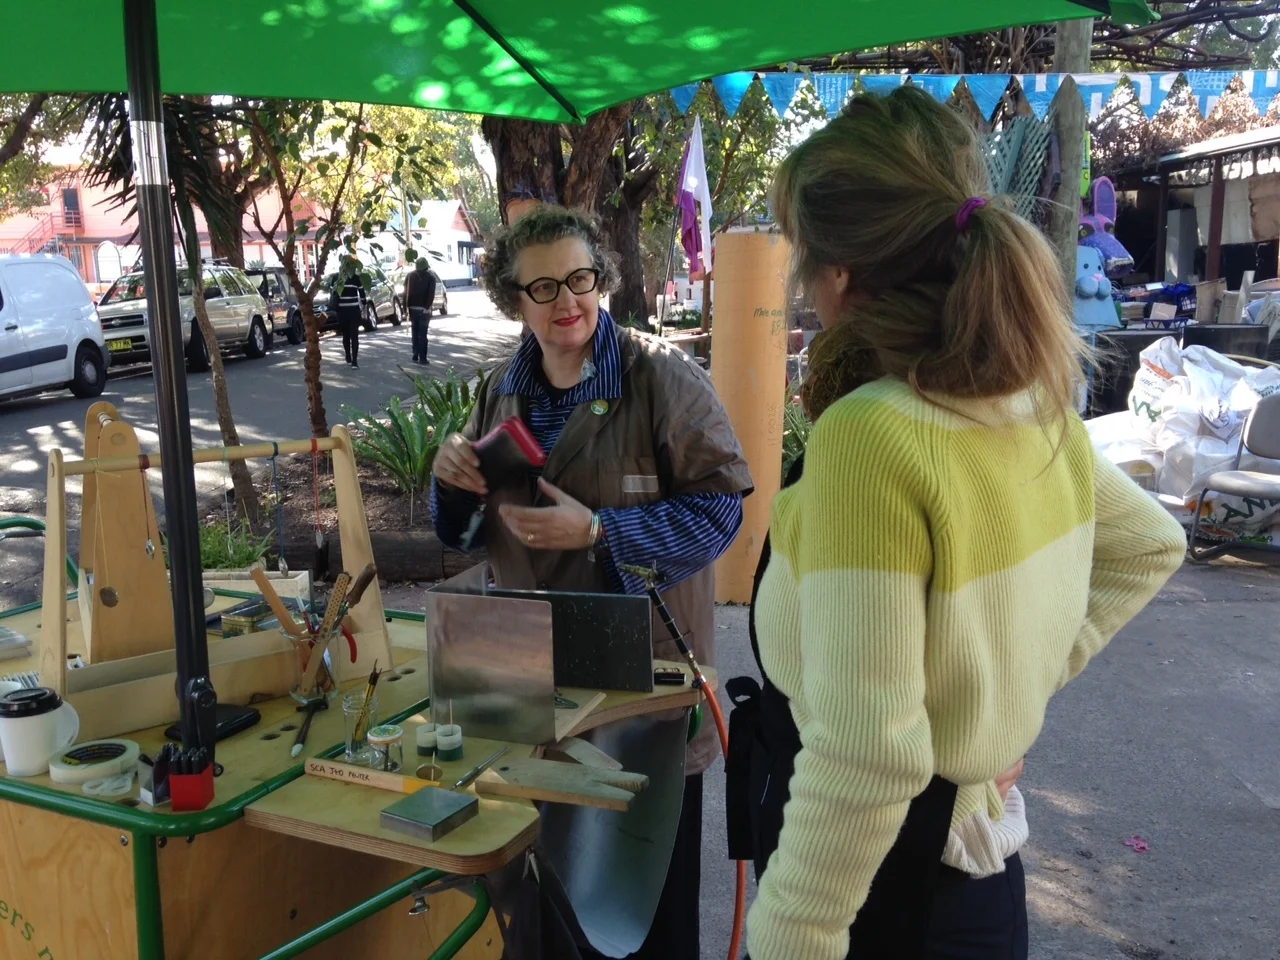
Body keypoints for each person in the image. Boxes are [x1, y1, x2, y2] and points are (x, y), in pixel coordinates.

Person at [738, 86, 1187, 960]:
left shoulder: (872, 432)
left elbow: (867, 754)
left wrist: (790, 940)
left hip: (886, 894)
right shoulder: (1021, 397)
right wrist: (994, 706)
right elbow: (1148, 546)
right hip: (975, 874)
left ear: (836, 274)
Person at [430, 204, 752, 960]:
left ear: (601, 277)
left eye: (578, 278)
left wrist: (605, 533)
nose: (564, 301)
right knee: (527, 889)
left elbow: (720, 513)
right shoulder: (500, 393)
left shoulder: (663, 379)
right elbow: (463, 535)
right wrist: (451, 485)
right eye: (540, 288)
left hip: (641, 679)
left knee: (639, 907)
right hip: (515, 675)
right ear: (514, 299)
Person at [404, 257, 437, 364]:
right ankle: (423, 358)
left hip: (412, 308)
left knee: (415, 331)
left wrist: (405, 308)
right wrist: (427, 307)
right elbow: (431, 294)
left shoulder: (409, 276)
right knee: (423, 334)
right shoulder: (431, 278)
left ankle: (415, 353)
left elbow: (406, 293)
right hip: (424, 310)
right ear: (426, 266)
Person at [335, 263, 367, 368]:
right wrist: (364, 305)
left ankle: (350, 358)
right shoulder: (356, 278)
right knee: (352, 335)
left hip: (343, 311)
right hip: (352, 311)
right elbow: (362, 294)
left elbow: (333, 294)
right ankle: (353, 360)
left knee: (348, 335)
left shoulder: (337, 278)